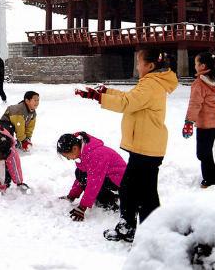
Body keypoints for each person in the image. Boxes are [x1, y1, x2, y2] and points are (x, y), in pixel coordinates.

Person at [75, 47, 178, 242]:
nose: (137, 66)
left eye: (139, 63)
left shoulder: (150, 85)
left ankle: (143, 232)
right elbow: (129, 98)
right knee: (138, 190)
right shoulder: (150, 83)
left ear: (150, 65)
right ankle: (136, 228)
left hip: (146, 148)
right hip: (146, 146)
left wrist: (98, 97)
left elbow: (127, 103)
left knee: (138, 192)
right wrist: (106, 92)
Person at [57, 132, 127, 222]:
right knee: (80, 173)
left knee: (88, 179)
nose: (69, 159)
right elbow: (82, 178)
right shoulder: (85, 153)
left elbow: (94, 182)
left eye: (67, 156)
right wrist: (71, 196)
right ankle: (109, 196)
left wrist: (82, 207)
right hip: (110, 179)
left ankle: (110, 201)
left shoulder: (96, 155)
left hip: (122, 182)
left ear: (74, 148)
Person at [182, 51, 215, 188]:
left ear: (202, 66)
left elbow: (195, 104)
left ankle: (211, 180)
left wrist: (189, 122)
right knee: (205, 153)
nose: (194, 65)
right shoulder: (214, 80)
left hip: (206, 125)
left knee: (203, 154)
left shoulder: (199, 84)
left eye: (196, 63)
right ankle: (211, 178)